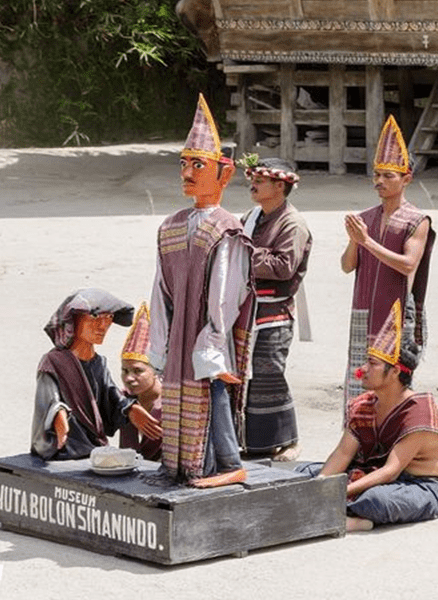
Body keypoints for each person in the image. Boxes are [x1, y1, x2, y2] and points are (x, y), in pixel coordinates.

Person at [148, 94, 255, 488]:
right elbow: (161, 289)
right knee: (178, 391)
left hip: (206, 333)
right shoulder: (172, 226)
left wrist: (211, 339)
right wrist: (161, 340)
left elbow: (227, 293)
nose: (187, 173)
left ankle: (224, 464)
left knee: (212, 389)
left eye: (198, 165)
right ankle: (178, 465)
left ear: (224, 175)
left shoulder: (226, 229)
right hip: (179, 332)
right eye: (184, 164)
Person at [301, 299, 438, 533]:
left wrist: (337, 491)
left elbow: (390, 471)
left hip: (422, 485)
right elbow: (343, 453)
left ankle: (352, 518)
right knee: (305, 474)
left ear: (394, 371)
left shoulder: (419, 412)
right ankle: (334, 509)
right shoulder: (365, 404)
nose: (362, 369)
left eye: (372, 363)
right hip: (377, 471)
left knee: (375, 500)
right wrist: (320, 484)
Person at [341, 114, 435, 404]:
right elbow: (347, 266)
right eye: (376, 175)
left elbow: (408, 264)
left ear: (406, 179)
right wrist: (355, 242)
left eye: (388, 176)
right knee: (359, 381)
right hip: (363, 309)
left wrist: (366, 241)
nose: (379, 182)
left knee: (391, 384)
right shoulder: (366, 217)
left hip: (394, 312)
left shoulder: (417, 220)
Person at [238, 155, 312, 461]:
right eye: (253, 178)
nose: (253, 184)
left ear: (280, 186)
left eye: (261, 180)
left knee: (270, 374)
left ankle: (288, 440)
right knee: (247, 377)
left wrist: (243, 255)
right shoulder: (250, 217)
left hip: (274, 313)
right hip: (246, 310)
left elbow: (283, 266)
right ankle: (255, 443)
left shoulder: (292, 223)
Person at [31, 289, 161, 460]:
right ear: (73, 321)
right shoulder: (54, 362)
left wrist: (130, 409)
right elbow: (48, 397)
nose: (102, 326)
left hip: (94, 449)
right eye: (94, 318)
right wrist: (58, 415)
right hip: (65, 449)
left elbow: (111, 395)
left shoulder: (99, 363)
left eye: (108, 319)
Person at [117, 302, 164, 462]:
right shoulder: (121, 399)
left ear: (156, 371)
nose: (129, 378)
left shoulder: (172, 403)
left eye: (138, 371)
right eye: (125, 371)